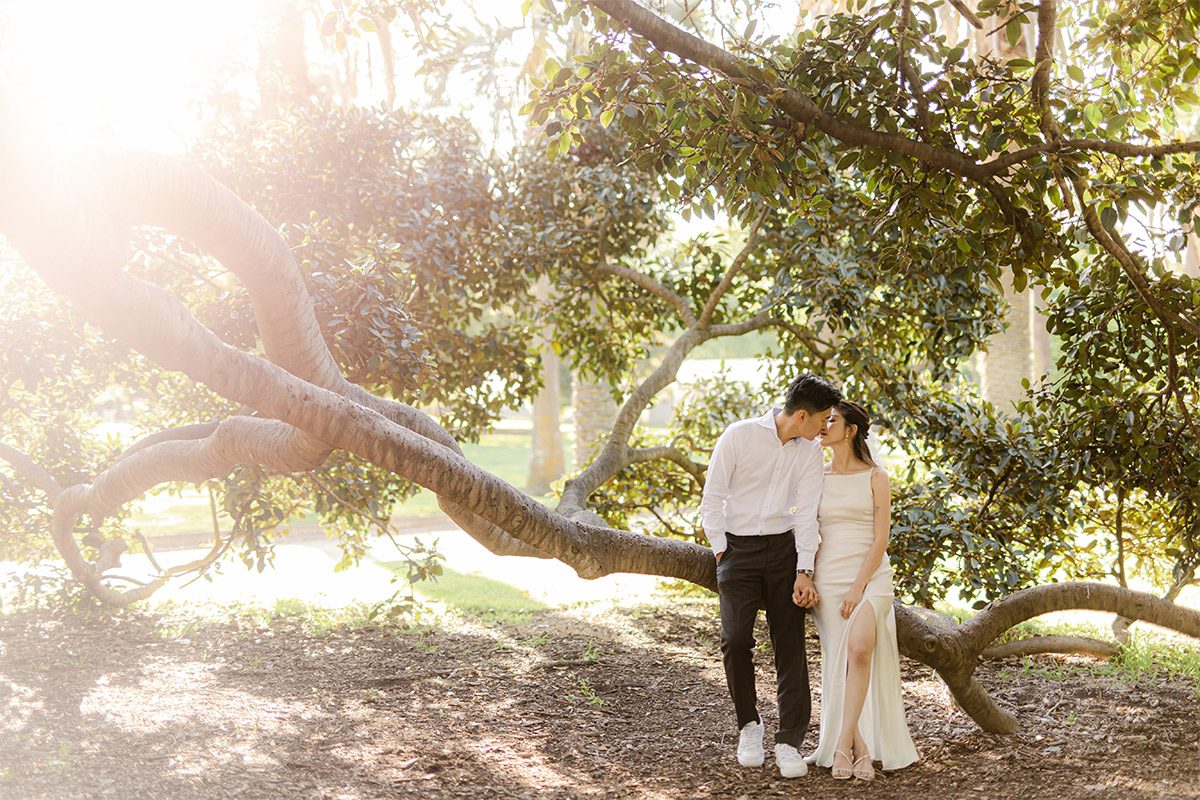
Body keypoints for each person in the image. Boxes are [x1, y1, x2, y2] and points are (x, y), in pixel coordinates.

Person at [701, 374, 842, 779]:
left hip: (784, 551)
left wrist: (804, 570)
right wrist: (721, 548)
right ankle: (750, 725)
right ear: (802, 416)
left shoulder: (809, 452)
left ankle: (789, 741)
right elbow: (713, 497)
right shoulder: (739, 436)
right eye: (823, 419)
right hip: (737, 551)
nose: (825, 428)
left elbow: (807, 513)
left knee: (790, 645)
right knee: (735, 640)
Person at [809, 400, 918, 779]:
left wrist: (858, 587)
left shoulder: (876, 476)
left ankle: (843, 744)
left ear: (851, 430)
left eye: (831, 421)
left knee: (859, 649)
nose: (823, 426)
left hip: (871, 577)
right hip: (828, 575)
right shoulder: (816, 475)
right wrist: (804, 574)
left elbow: (881, 539)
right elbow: (807, 530)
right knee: (840, 661)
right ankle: (859, 747)